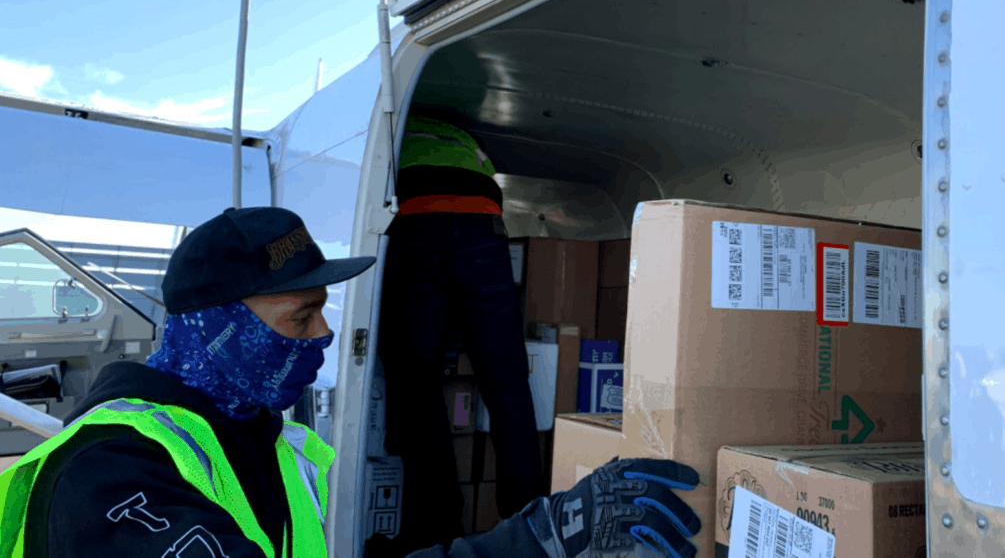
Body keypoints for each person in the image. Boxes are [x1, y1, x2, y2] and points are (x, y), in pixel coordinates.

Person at [0, 206, 702, 558]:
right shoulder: (110, 478)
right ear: (215, 327)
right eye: (301, 316)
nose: (326, 335)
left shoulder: (275, 443)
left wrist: (541, 536)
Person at [375, 113, 542, 552]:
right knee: (505, 378)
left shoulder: (392, 129)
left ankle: (436, 528)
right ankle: (529, 519)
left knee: (416, 382)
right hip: (482, 221)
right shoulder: (463, 137)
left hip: (417, 218)